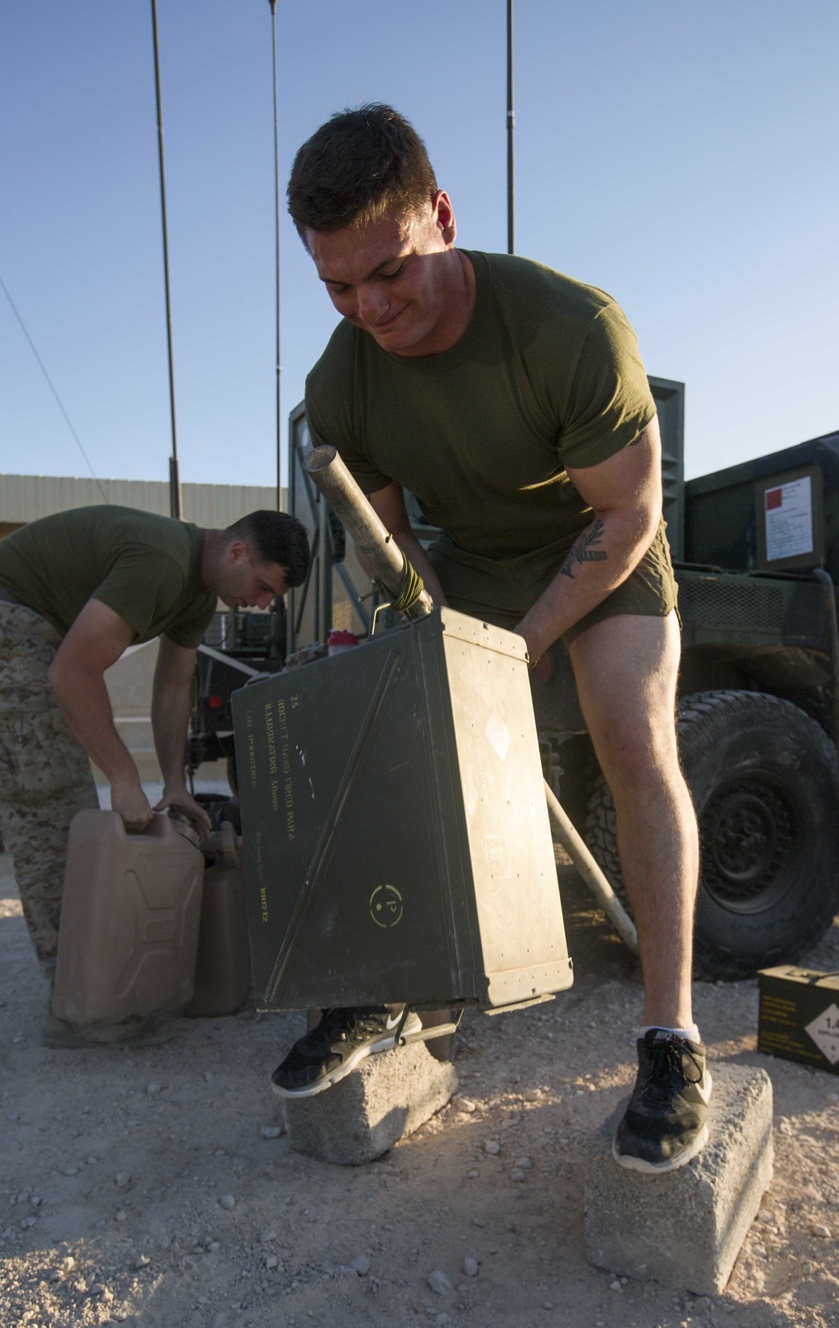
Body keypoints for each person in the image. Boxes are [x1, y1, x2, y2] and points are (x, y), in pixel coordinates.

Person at [270, 104, 709, 1174]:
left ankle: (669, 1037)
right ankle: (379, 992)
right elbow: (389, 541)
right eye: (337, 285)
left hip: (592, 551)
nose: (369, 308)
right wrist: (439, 636)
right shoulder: (340, 382)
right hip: (464, 562)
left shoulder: (570, 328)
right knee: (383, 735)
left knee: (631, 738)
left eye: (391, 271)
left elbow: (627, 517)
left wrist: (522, 643)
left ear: (443, 217)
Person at [0, 504, 309, 1047]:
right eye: (262, 587)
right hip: (2, 628)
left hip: (32, 631)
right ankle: (81, 1009)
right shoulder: (162, 561)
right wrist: (123, 778)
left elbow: (172, 689)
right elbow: (72, 671)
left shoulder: (196, 594)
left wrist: (174, 785)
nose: (260, 604)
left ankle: (93, 990)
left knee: (70, 813)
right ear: (237, 551)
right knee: (55, 818)